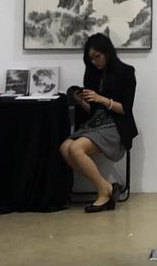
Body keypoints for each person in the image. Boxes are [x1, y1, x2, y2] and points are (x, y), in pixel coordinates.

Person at [59, 33, 138, 213]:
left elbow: (125, 109)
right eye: (91, 59)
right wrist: (81, 101)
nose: (95, 62)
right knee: (65, 148)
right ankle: (107, 187)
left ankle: (103, 193)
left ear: (107, 52)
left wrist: (101, 99)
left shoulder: (126, 72)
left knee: (75, 149)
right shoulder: (92, 73)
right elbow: (92, 110)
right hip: (96, 121)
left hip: (115, 124)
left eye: (97, 56)